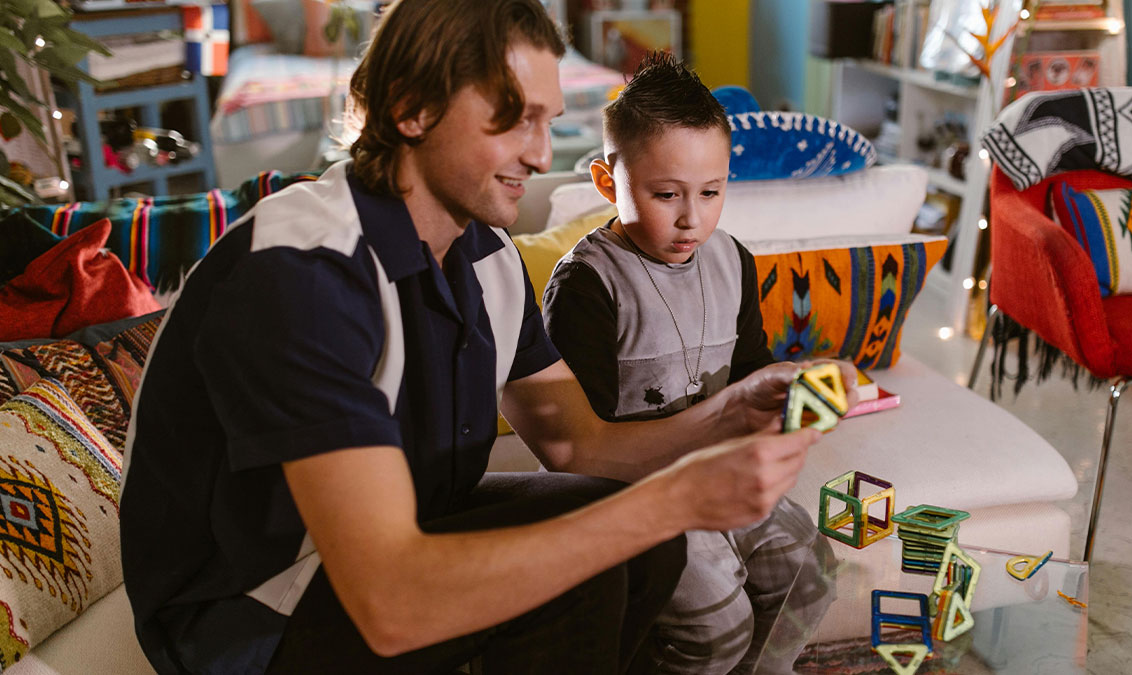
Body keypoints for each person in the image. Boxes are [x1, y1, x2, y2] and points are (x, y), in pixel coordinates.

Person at [117, 1, 830, 673]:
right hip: (250, 611)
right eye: (516, 120)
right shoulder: (305, 275)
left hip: (398, 535)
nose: (542, 152)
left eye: (549, 121)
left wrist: (733, 409)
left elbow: (580, 443)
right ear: (411, 107)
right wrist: (676, 498)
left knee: (632, 538)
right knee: (600, 551)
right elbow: (390, 604)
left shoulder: (486, 255)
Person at [542, 53, 842, 674]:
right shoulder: (586, 285)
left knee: (810, 578)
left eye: (711, 192)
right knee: (716, 629)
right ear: (607, 182)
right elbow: (584, 446)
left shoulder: (733, 259)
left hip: (725, 468)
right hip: (642, 488)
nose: (692, 218)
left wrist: (791, 394)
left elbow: (749, 368)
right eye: (665, 194)